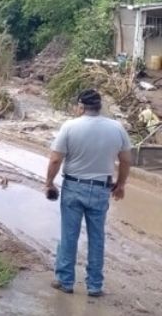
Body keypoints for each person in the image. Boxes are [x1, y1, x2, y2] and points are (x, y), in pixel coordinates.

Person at [45, 89, 132, 297]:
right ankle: (95, 285)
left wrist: (48, 182)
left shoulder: (70, 126)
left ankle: (65, 281)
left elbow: (56, 159)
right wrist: (120, 185)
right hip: (101, 189)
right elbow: (126, 160)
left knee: (69, 235)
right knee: (97, 237)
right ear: (99, 107)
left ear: (81, 106)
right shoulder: (116, 128)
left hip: (73, 187)